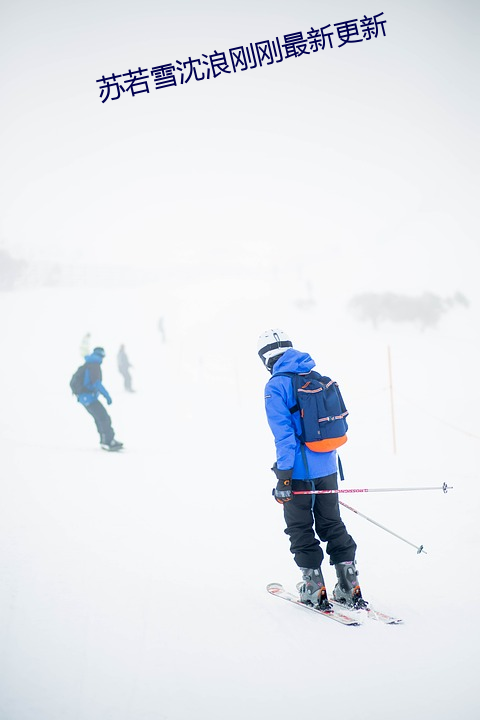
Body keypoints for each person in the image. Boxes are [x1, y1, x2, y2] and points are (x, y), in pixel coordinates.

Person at [258, 328, 366, 610]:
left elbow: (284, 437)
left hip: (298, 472)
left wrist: (284, 478)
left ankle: (313, 588)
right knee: (331, 523)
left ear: (266, 358)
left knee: (300, 527)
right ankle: (349, 585)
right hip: (328, 466)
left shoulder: (275, 386)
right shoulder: (315, 377)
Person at [76, 346, 123, 451]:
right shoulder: (94, 365)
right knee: (104, 418)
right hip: (89, 398)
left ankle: (104, 440)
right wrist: (107, 396)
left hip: (85, 398)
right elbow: (96, 383)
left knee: (100, 418)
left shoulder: (89, 363)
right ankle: (108, 441)